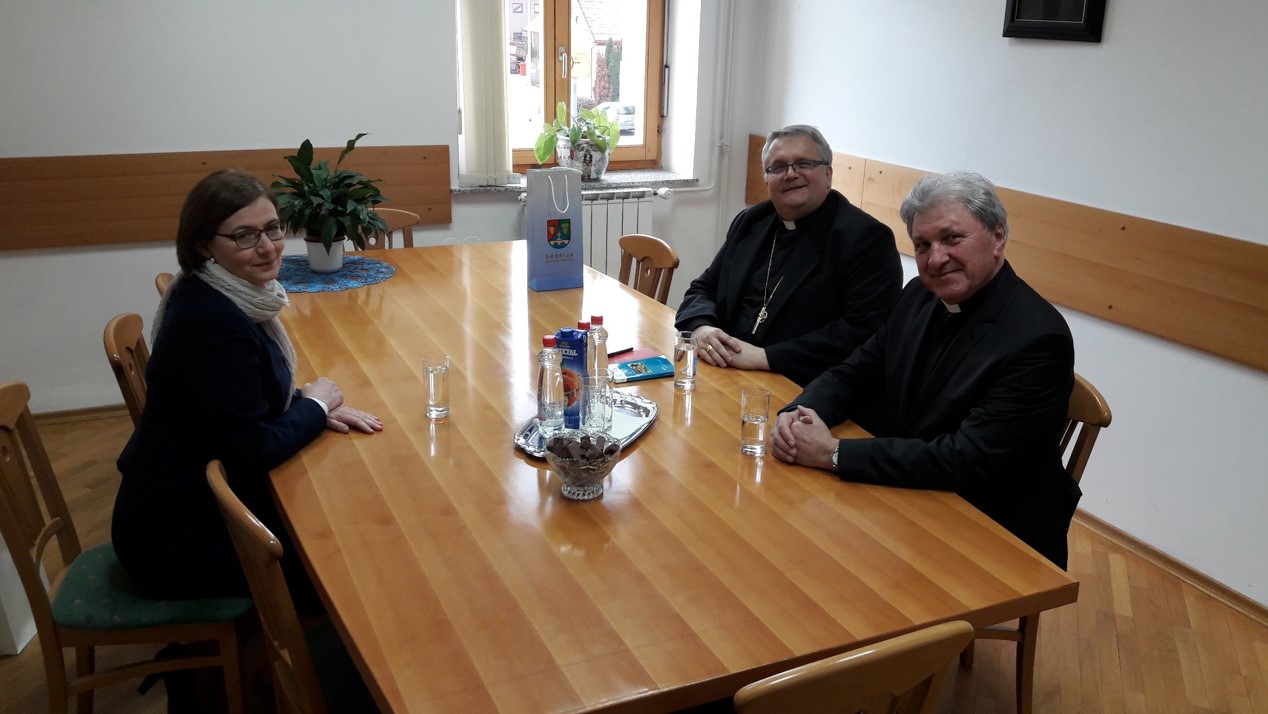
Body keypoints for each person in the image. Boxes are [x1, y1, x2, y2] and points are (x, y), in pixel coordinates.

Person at [771, 171, 1079, 568]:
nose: (935, 259)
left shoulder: (1038, 337)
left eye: (952, 238)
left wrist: (833, 453)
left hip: (989, 526)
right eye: (922, 245)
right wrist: (798, 415)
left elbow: (966, 459)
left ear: (998, 237)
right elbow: (857, 371)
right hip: (910, 489)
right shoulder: (919, 295)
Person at [112, 169, 383, 607]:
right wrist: (313, 409)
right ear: (203, 245)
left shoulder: (219, 293)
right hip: (179, 539)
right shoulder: (213, 322)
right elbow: (251, 450)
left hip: (190, 501)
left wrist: (305, 404)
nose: (268, 247)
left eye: (273, 228)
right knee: (356, 559)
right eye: (244, 236)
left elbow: (234, 400)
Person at [675, 125, 901, 386]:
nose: (791, 174)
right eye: (778, 167)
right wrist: (702, 328)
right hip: (726, 372)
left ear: (828, 174)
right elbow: (702, 289)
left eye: (804, 163)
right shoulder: (751, 221)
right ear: (767, 179)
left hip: (805, 384)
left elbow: (863, 333)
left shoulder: (865, 238)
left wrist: (765, 357)